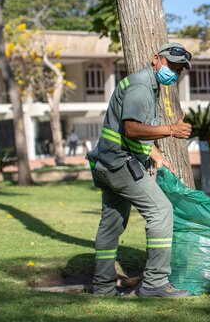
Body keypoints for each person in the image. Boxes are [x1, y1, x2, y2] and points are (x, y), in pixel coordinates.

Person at [86, 42, 193, 297]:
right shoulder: (142, 86)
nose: (175, 73)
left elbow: (132, 134)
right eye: (171, 65)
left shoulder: (146, 84)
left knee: (111, 224)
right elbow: (131, 128)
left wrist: (154, 154)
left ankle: (103, 287)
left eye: (179, 70)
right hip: (120, 165)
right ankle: (155, 284)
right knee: (161, 210)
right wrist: (171, 130)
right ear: (156, 59)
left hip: (107, 163)